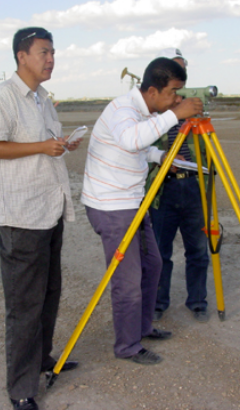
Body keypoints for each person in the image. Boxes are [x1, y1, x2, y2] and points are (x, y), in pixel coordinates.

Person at [0, 27, 81, 410]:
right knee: (24, 306)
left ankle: (42, 360)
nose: (51, 58)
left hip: (48, 210)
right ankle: (21, 388)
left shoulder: (42, 99)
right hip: (21, 217)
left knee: (49, 295)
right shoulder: (2, 98)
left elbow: (43, 148)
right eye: (44, 52)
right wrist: (42, 146)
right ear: (22, 56)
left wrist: (62, 145)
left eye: (53, 51)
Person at [81, 57, 203, 365]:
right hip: (111, 206)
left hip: (132, 202)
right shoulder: (124, 109)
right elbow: (130, 138)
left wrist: (161, 156)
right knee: (128, 279)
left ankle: (143, 327)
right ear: (152, 90)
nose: (177, 98)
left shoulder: (141, 111)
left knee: (153, 265)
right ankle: (127, 346)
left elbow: (135, 147)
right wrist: (176, 114)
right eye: (173, 92)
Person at [147, 48, 210, 322]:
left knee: (198, 248)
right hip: (165, 188)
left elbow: (207, 151)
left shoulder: (193, 113)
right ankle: (159, 303)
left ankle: (197, 301)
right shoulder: (151, 116)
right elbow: (142, 149)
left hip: (193, 186)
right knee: (161, 251)